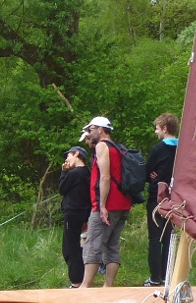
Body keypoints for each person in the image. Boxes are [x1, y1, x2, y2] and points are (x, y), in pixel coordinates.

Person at [79, 116, 132, 288]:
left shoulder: (102, 146)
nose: (89, 133)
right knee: (112, 246)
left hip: (108, 204)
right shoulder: (117, 147)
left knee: (93, 244)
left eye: (90, 130)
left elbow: (106, 177)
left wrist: (102, 205)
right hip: (123, 204)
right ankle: (108, 287)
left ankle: (85, 286)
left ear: (99, 129)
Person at [144, 113, 179, 287]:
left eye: (157, 128)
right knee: (168, 238)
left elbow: (146, 171)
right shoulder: (182, 149)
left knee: (155, 238)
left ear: (165, 129)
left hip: (157, 198)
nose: (156, 132)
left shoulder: (159, 149)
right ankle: (167, 276)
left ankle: (155, 278)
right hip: (175, 198)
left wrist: (152, 176)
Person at [58, 146, 91, 288]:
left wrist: (64, 172)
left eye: (68, 156)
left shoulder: (74, 173)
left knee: (70, 248)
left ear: (77, 154)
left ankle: (76, 281)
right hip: (85, 214)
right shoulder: (89, 172)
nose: (66, 160)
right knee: (82, 247)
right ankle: (84, 279)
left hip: (72, 214)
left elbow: (61, 189)